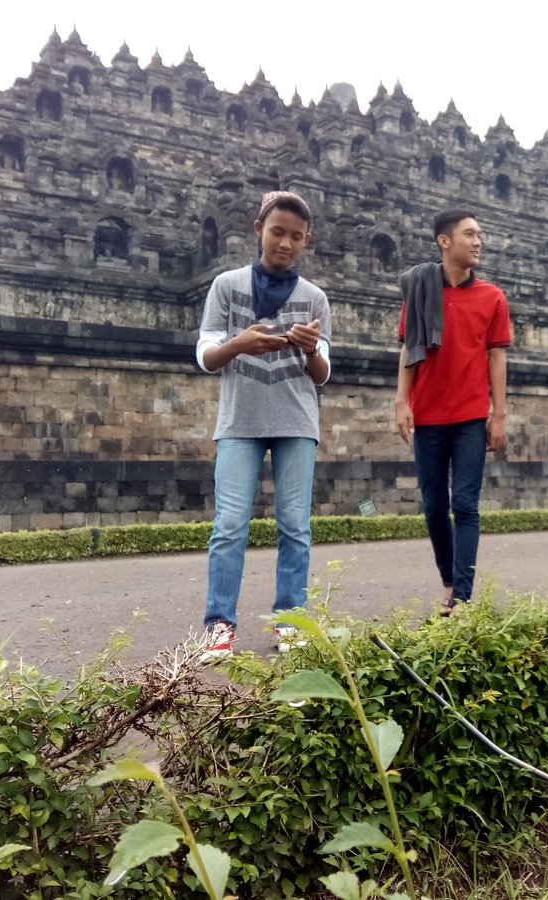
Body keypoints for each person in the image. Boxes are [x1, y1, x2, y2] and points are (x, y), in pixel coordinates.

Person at [194, 191, 332, 659]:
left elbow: (323, 374)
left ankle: (289, 622)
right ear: (259, 229)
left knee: (295, 526)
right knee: (229, 525)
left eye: (296, 236)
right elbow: (206, 356)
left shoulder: (315, 297)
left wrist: (309, 349)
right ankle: (218, 624)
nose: (286, 243)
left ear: (306, 240)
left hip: (296, 420)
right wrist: (238, 345)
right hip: (239, 421)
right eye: (278, 232)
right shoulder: (226, 286)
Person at [395, 209, 511, 615]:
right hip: (427, 413)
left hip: (469, 415)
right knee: (432, 504)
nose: (477, 241)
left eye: (479, 234)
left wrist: (499, 414)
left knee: (465, 503)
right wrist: (401, 403)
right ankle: (449, 579)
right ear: (444, 241)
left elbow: (496, 357)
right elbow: (409, 349)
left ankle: (461, 595)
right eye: (468, 234)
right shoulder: (420, 291)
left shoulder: (492, 297)